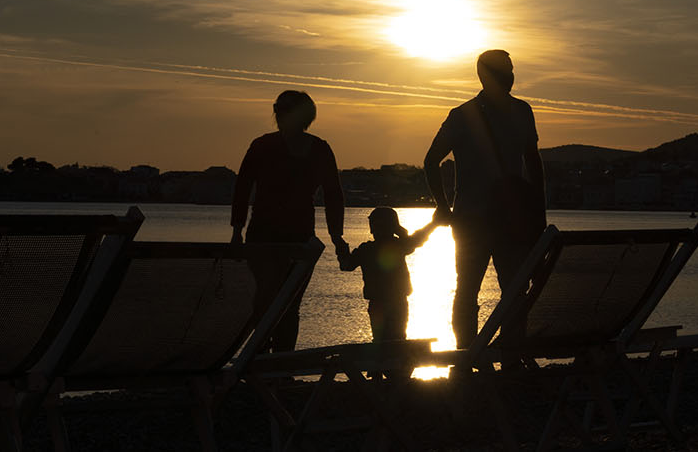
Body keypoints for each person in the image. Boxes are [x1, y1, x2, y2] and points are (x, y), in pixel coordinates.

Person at [423, 49, 546, 349]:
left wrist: (444, 206)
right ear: (485, 74)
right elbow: (534, 164)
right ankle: (495, 355)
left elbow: (430, 162)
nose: (511, 76)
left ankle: (473, 358)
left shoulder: (469, 115)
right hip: (495, 219)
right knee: (499, 290)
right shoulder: (512, 112)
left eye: (511, 69)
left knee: (475, 291)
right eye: (506, 70)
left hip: (487, 219)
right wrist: (537, 213)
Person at [232, 90, 348, 352]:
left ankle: (267, 364)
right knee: (282, 303)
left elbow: (333, 194)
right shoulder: (312, 148)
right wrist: (336, 236)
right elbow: (333, 195)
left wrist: (237, 230)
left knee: (275, 302)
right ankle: (272, 365)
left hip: (282, 236)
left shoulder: (266, 146)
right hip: (279, 236)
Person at [338, 207, 447, 342]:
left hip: (381, 303)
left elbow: (346, 265)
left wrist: (340, 245)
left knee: (382, 340)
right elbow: (416, 240)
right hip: (395, 302)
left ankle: (386, 361)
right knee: (397, 339)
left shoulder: (366, 249)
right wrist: (432, 224)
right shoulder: (398, 245)